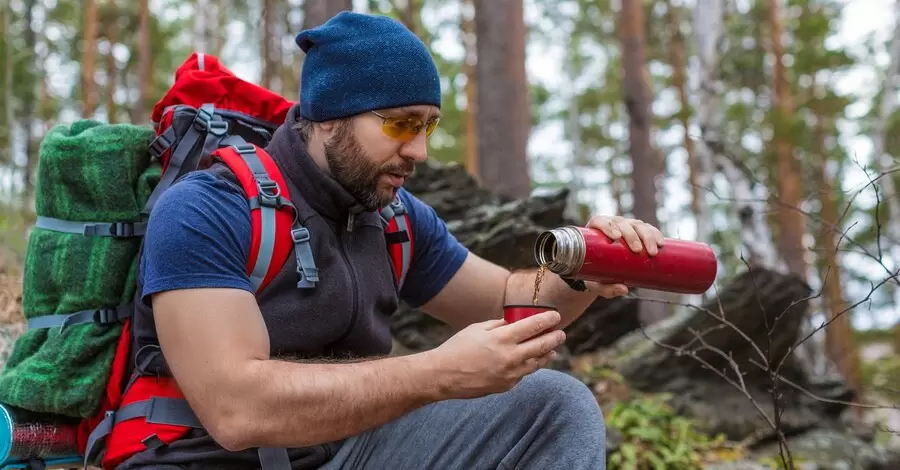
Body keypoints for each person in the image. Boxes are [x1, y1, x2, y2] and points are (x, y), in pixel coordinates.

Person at [122, 11, 665, 470]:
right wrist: (438, 373)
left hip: (346, 452)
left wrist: (584, 270)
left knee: (555, 403)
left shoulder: (395, 219)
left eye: (427, 125)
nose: (419, 151)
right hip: (206, 458)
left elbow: (513, 300)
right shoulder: (207, 207)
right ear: (331, 117)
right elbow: (236, 410)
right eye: (401, 124)